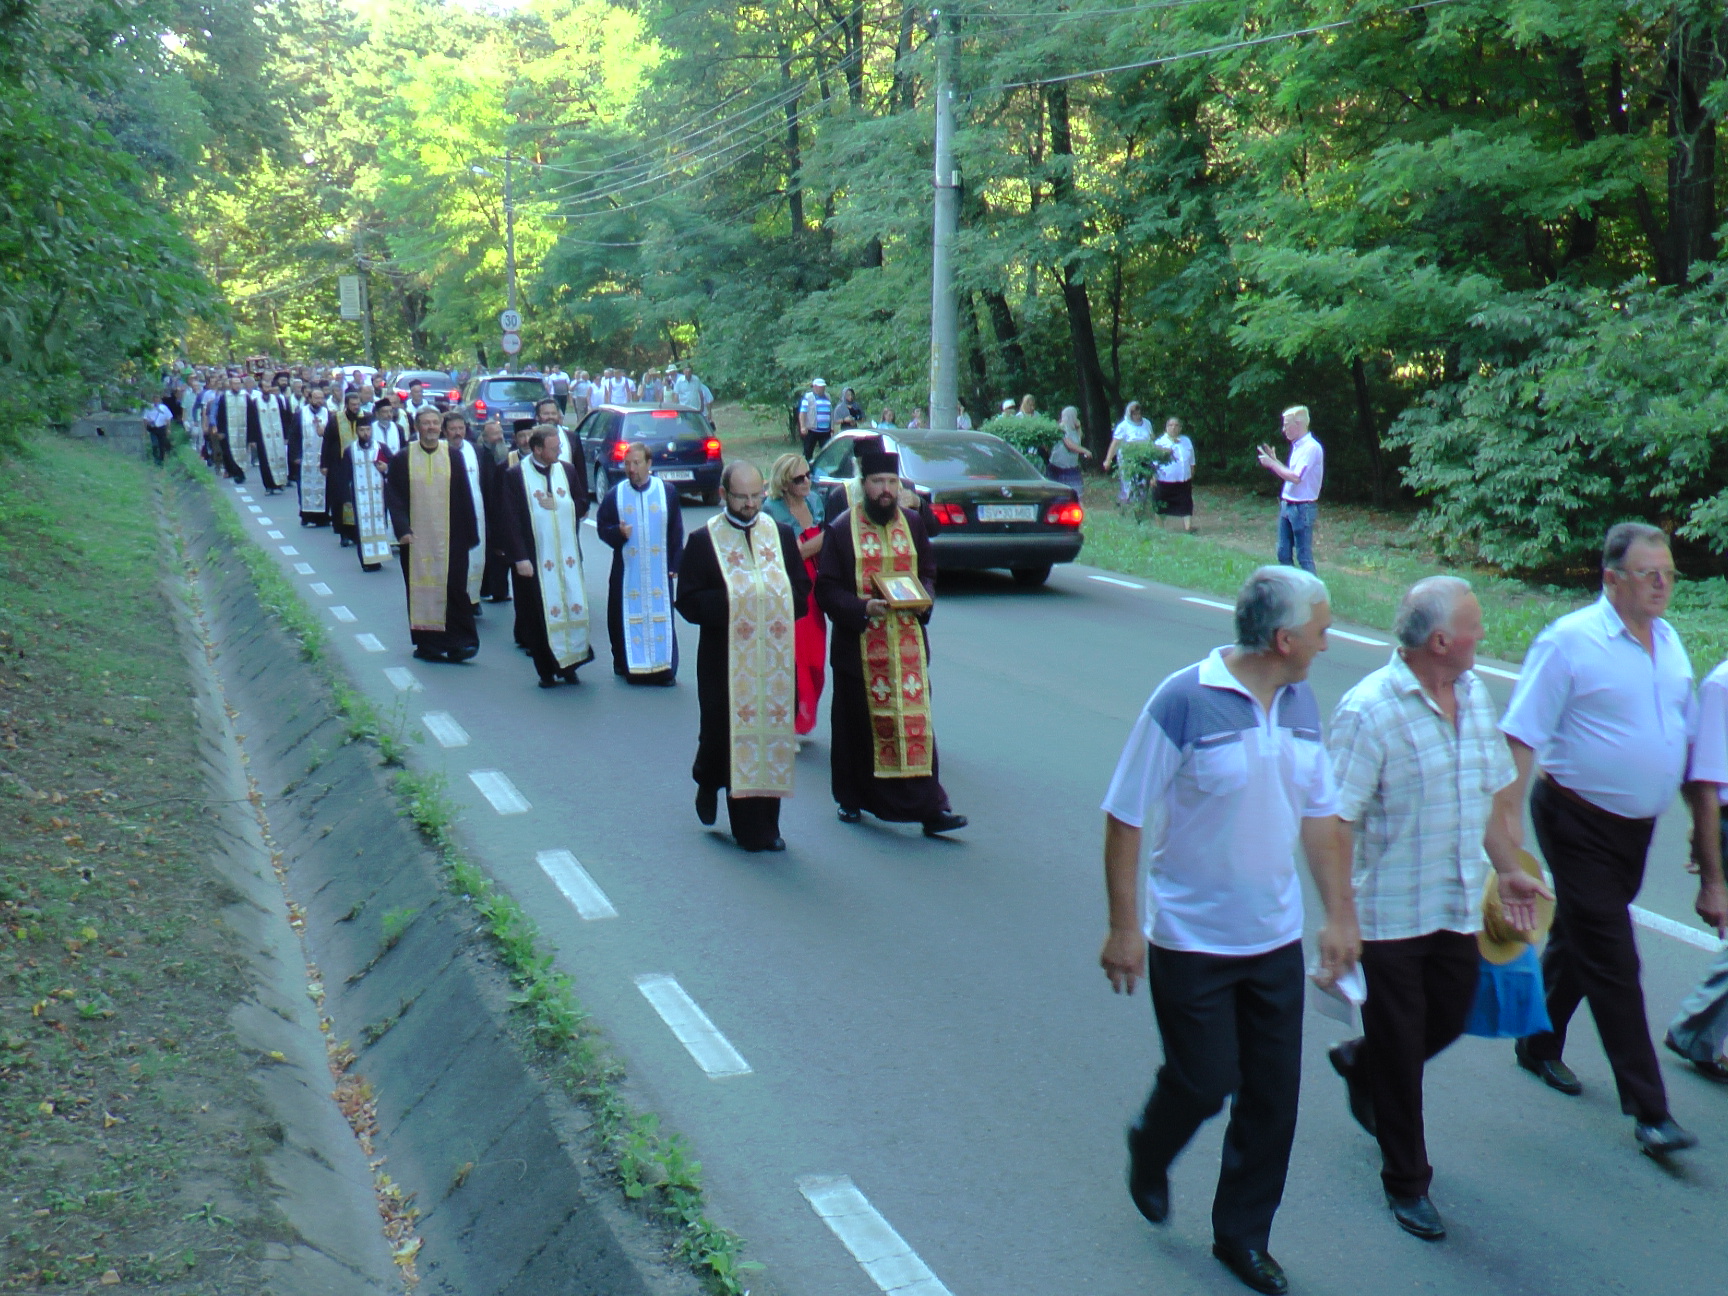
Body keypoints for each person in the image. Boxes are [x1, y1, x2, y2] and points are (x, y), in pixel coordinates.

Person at [1099, 565, 1359, 1296]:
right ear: (1284, 638)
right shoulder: (1183, 700)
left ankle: (1241, 1237)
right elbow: (1124, 814)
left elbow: (1320, 817)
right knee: (1205, 1079)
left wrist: (1339, 914)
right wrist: (1125, 929)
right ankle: (1150, 1148)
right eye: (1321, 630)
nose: (1327, 642)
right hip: (1190, 941)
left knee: (1273, 1099)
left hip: (1271, 940)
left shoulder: (1303, 703)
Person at [1324, 576, 1549, 1241]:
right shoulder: (1369, 710)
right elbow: (1334, 822)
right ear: (1441, 641)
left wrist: (1509, 868)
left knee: (1447, 1016)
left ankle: (1362, 1062)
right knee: (1401, 1048)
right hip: (1389, 913)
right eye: (1476, 626)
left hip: (1452, 903)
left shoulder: (1475, 694)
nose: (1485, 634)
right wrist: (1340, 916)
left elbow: (1484, 797)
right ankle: (1407, 1181)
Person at [1498, 523, 1725, 1155]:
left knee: (1581, 934)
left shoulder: (1672, 643)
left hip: (1636, 828)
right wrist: (1508, 820)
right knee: (1615, 957)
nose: (1662, 584)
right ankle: (1651, 1111)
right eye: (1649, 573)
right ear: (1611, 579)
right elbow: (1521, 734)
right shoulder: (1569, 642)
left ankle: (1537, 1040)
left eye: (1669, 573)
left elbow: (1682, 746)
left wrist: (1699, 843)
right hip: (1575, 818)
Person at [816, 445, 966, 837]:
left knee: (917, 726)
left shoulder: (913, 524)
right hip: (859, 647)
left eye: (892, 482)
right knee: (858, 731)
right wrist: (863, 608)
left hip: (908, 649)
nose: (886, 490)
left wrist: (923, 599)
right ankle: (852, 798)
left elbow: (929, 571)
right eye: (878, 482)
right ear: (863, 484)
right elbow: (826, 590)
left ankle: (931, 807)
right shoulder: (841, 529)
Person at [675, 461, 808, 852]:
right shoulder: (704, 541)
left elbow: (800, 590)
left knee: (770, 739)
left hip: (775, 661)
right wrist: (739, 603)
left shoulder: (780, 535)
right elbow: (688, 601)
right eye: (742, 497)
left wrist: (774, 604)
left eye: (756, 496)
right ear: (724, 496)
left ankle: (767, 824)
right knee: (724, 736)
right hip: (723, 660)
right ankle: (719, 794)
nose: (751, 504)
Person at [1664, 649, 1728, 1080]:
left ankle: (1695, 1030)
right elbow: (1703, 778)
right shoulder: (1723, 684)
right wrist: (1708, 859)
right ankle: (1694, 1030)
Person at [500, 425, 595, 687]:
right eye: (555, 448)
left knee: (573, 605)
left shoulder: (567, 470)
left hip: (568, 557)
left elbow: (583, 503)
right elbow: (510, 520)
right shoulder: (516, 475)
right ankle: (546, 670)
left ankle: (571, 664)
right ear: (538, 449)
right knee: (539, 615)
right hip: (535, 558)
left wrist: (562, 505)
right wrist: (519, 558)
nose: (560, 451)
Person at [386, 410, 481, 663]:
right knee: (421, 590)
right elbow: (394, 497)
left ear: (441, 427)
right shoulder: (403, 458)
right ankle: (428, 644)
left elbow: (464, 496)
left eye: (434, 423)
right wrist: (402, 530)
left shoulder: (453, 456)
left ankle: (462, 642)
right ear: (416, 426)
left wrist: (471, 534)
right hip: (416, 539)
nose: (430, 427)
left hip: (452, 537)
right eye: (425, 423)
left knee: (455, 588)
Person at [595, 441, 683, 685]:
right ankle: (628, 664)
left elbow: (676, 530)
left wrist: (676, 563)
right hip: (627, 569)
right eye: (627, 463)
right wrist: (617, 533)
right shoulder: (617, 495)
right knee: (621, 615)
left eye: (636, 463)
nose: (631, 469)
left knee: (661, 614)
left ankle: (663, 668)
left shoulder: (666, 492)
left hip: (659, 569)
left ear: (649, 464)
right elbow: (602, 528)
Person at [764, 453, 827, 737]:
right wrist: (827, 537)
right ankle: (788, 720)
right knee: (795, 656)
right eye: (798, 479)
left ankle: (805, 714)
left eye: (808, 475)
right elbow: (793, 553)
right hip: (789, 587)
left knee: (815, 658)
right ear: (784, 483)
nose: (806, 482)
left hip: (818, 585)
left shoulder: (815, 502)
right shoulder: (771, 510)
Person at [1257, 406, 1323, 575]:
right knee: (1283, 552)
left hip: (1302, 508)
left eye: (1287, 425)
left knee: (1303, 556)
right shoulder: (1298, 446)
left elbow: (1295, 478)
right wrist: (1275, 461)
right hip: (1288, 504)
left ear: (1299, 424)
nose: (1283, 429)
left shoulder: (1311, 448)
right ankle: (1290, 589)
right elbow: (1291, 475)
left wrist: (1272, 465)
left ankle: (1314, 595)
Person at [332, 415, 393, 572]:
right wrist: (345, 498)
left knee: (380, 525)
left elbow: (393, 467)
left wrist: (386, 469)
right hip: (359, 497)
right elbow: (343, 475)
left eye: (367, 429)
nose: (365, 433)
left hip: (379, 495)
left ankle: (378, 558)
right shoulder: (350, 450)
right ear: (356, 431)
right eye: (362, 430)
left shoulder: (381, 448)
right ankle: (366, 561)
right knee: (362, 528)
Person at [442, 411, 488, 615]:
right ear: (445, 431)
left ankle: (473, 599)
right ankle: (452, 600)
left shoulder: (476, 451)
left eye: (461, 428)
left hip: (475, 512)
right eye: (453, 429)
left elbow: (487, 484)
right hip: (448, 513)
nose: (457, 433)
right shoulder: (439, 452)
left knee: (476, 556)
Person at [321, 390, 367, 545]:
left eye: (358, 404)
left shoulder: (365, 417)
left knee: (359, 499)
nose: (356, 407)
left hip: (361, 465)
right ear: (346, 405)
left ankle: (356, 532)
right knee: (341, 499)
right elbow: (327, 442)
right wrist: (324, 464)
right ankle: (344, 533)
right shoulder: (336, 419)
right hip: (339, 465)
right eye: (353, 405)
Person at [477, 419, 513, 602]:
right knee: (490, 552)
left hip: (503, 507)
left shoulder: (506, 454)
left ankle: (500, 590)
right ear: (484, 437)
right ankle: (486, 589)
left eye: (500, 432)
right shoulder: (480, 455)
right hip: (485, 508)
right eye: (494, 434)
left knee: (502, 551)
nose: (499, 437)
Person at [292, 384, 335, 527]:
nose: (319, 401)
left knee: (324, 486)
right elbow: (294, 436)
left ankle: (323, 516)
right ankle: (306, 515)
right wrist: (296, 455)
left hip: (323, 456)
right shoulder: (300, 413)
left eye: (321, 398)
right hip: (305, 457)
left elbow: (333, 436)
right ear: (309, 398)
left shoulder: (327, 414)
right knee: (305, 486)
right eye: (316, 398)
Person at [1101, 401, 1153, 503]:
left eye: (1139, 414)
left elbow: (1151, 439)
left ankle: (1141, 506)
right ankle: (1129, 505)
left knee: (1142, 483)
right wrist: (1108, 460)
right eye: (1135, 414)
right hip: (1128, 460)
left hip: (1144, 459)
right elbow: (1115, 444)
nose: (1137, 416)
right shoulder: (1123, 426)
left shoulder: (1146, 423)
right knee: (1129, 484)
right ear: (1130, 414)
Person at [1153, 417, 1196, 531]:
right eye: (1171, 425)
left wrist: (1192, 470)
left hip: (1183, 480)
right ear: (1166, 428)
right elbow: (1153, 463)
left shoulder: (1186, 441)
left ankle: (1188, 528)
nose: (1173, 428)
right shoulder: (1159, 443)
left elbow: (1191, 458)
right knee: (1160, 504)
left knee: (1186, 503)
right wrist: (1152, 477)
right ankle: (1160, 528)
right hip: (1164, 480)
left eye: (1176, 425)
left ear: (1180, 428)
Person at [210, 371, 250, 483]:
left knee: (242, 452)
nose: (237, 386)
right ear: (231, 385)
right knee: (229, 452)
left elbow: (251, 415)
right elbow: (220, 415)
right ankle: (236, 472)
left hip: (243, 430)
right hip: (228, 430)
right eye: (235, 383)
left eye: (239, 383)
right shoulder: (224, 397)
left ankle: (240, 472)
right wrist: (221, 430)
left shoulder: (245, 396)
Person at [1047, 406, 1091, 490]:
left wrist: (1079, 427)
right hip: (1059, 467)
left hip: (1071, 465)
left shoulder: (1073, 428)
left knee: (1076, 493)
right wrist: (1085, 451)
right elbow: (1069, 445)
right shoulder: (1062, 427)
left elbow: (1078, 440)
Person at [799, 377, 833, 462]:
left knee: (827, 452)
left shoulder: (828, 396)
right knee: (808, 452)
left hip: (825, 431)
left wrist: (831, 427)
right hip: (812, 430)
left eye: (823, 387)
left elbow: (830, 412)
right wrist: (803, 426)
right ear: (814, 387)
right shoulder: (808, 397)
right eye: (820, 387)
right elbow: (803, 412)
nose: (822, 389)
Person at [142, 395, 173, 464]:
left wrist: (168, 429)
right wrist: (145, 429)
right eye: (155, 398)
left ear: (159, 399)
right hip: (152, 428)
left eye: (157, 398)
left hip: (161, 428)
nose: (156, 399)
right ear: (153, 399)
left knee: (162, 444)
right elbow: (145, 419)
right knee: (154, 443)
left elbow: (168, 418)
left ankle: (161, 459)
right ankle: (155, 457)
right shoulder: (149, 408)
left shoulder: (164, 408)